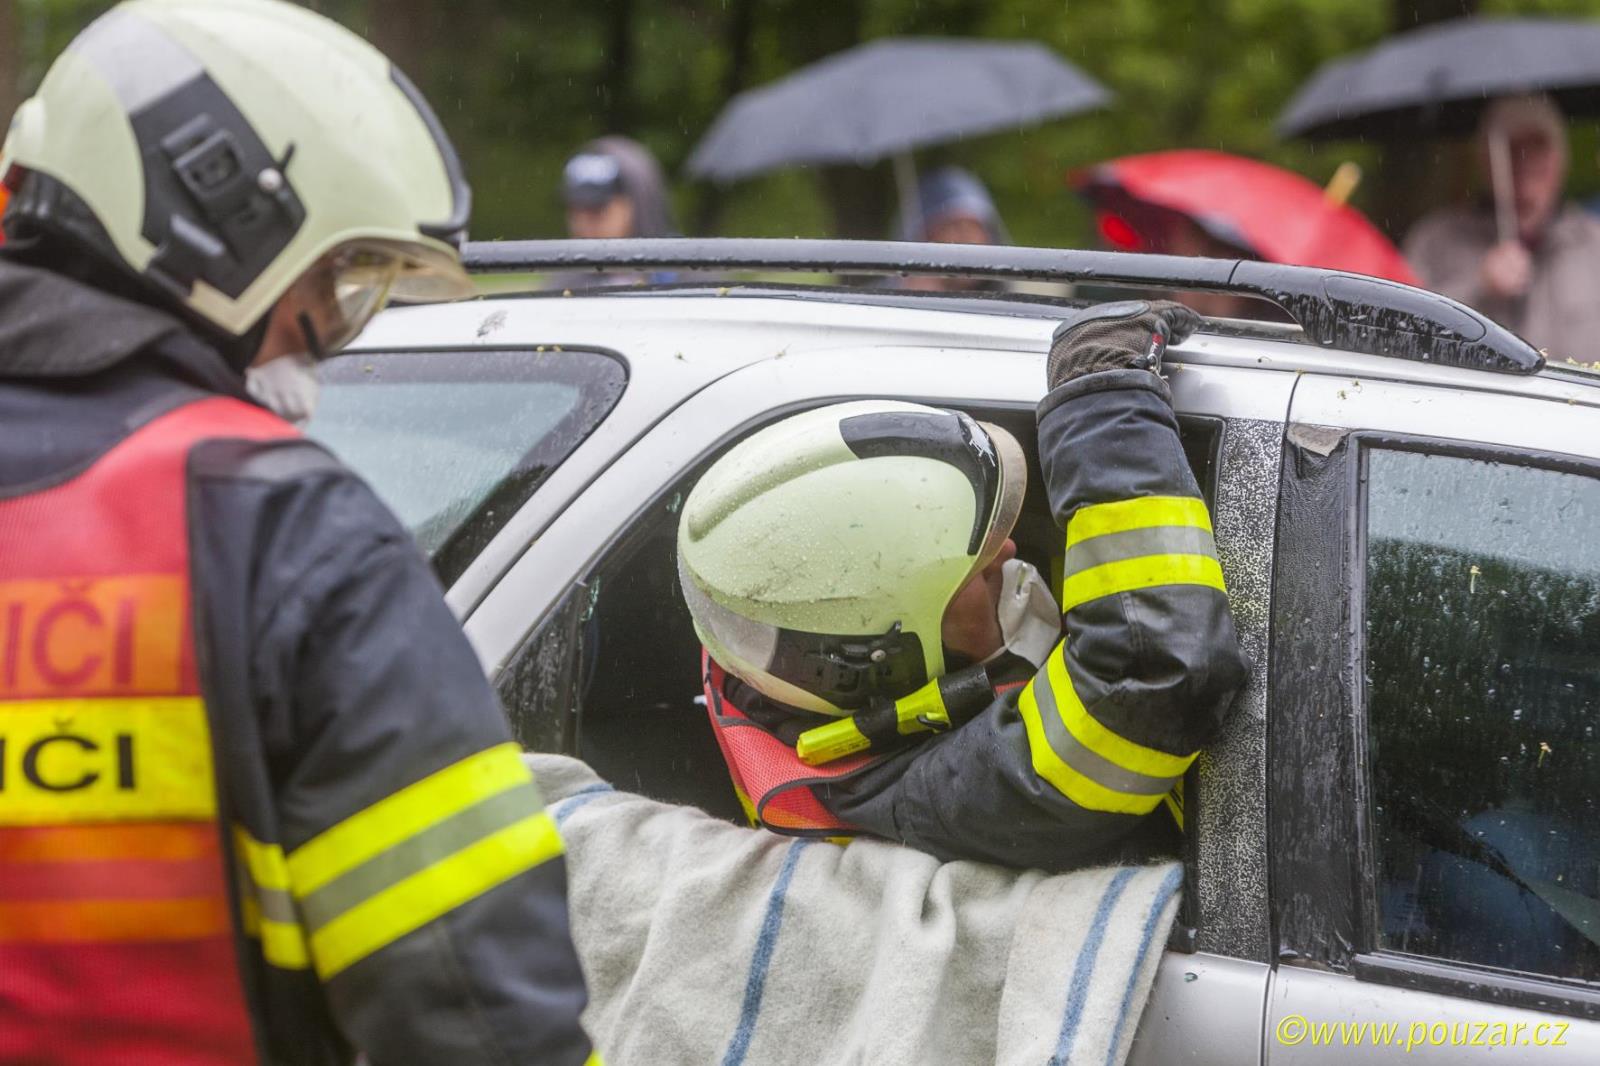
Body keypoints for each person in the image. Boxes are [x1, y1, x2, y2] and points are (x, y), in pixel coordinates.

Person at [0, 2, 595, 1064]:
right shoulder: (278, 528)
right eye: (327, 278)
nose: (327, 332)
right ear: (208, 222)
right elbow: (474, 1009)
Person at [677, 301, 1248, 871]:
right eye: (971, 573)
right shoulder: (935, 802)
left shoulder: (774, 630)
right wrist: (1102, 403)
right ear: (882, 663)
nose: (1008, 550)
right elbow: (1150, 678)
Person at [1405, 94, 1600, 363]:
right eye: (1511, 146)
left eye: (1537, 145)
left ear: (1559, 158)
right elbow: (1406, 328)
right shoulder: (1436, 241)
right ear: (1485, 158)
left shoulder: (1593, 244)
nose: (1524, 159)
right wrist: (1479, 288)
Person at [898, 165, 1008, 293]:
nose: (967, 237)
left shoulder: (1009, 302)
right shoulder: (882, 301)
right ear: (927, 234)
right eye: (954, 226)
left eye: (974, 226)